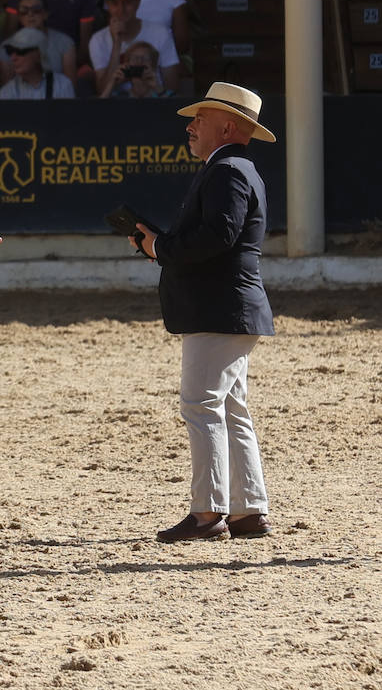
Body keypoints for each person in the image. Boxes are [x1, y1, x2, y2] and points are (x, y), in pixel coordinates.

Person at [130, 82, 276, 543]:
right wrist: (161, 248)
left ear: (227, 126)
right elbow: (219, 238)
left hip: (219, 309)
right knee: (230, 408)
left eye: (201, 118)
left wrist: (160, 246)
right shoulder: (236, 169)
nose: (191, 126)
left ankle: (207, 512)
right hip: (231, 307)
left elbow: (217, 238)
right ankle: (247, 509)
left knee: (202, 406)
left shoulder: (227, 171)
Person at [90, 0, 179, 97]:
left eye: (127, 2)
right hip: (117, 109)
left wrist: (153, 84)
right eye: (115, 3)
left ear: (137, 3)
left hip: (155, 103)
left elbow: (172, 88)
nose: (121, 9)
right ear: (107, 5)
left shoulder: (160, 33)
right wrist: (117, 43)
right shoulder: (97, 40)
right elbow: (102, 92)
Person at [0, 0, 75, 83]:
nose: (30, 14)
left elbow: (70, 85)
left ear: (45, 14)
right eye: (24, 11)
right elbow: (7, 86)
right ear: (18, 17)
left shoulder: (65, 42)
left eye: (36, 10)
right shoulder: (7, 46)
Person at [0, 26, 75, 99]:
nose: (13, 58)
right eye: (10, 51)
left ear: (39, 54)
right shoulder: (6, 92)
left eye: (20, 51)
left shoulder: (63, 86)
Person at [100, 39, 172, 99]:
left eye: (145, 58)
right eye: (134, 58)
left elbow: (174, 112)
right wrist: (111, 83)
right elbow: (98, 110)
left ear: (153, 64)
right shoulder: (121, 96)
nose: (139, 62)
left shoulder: (164, 93)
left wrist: (158, 88)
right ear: (127, 64)